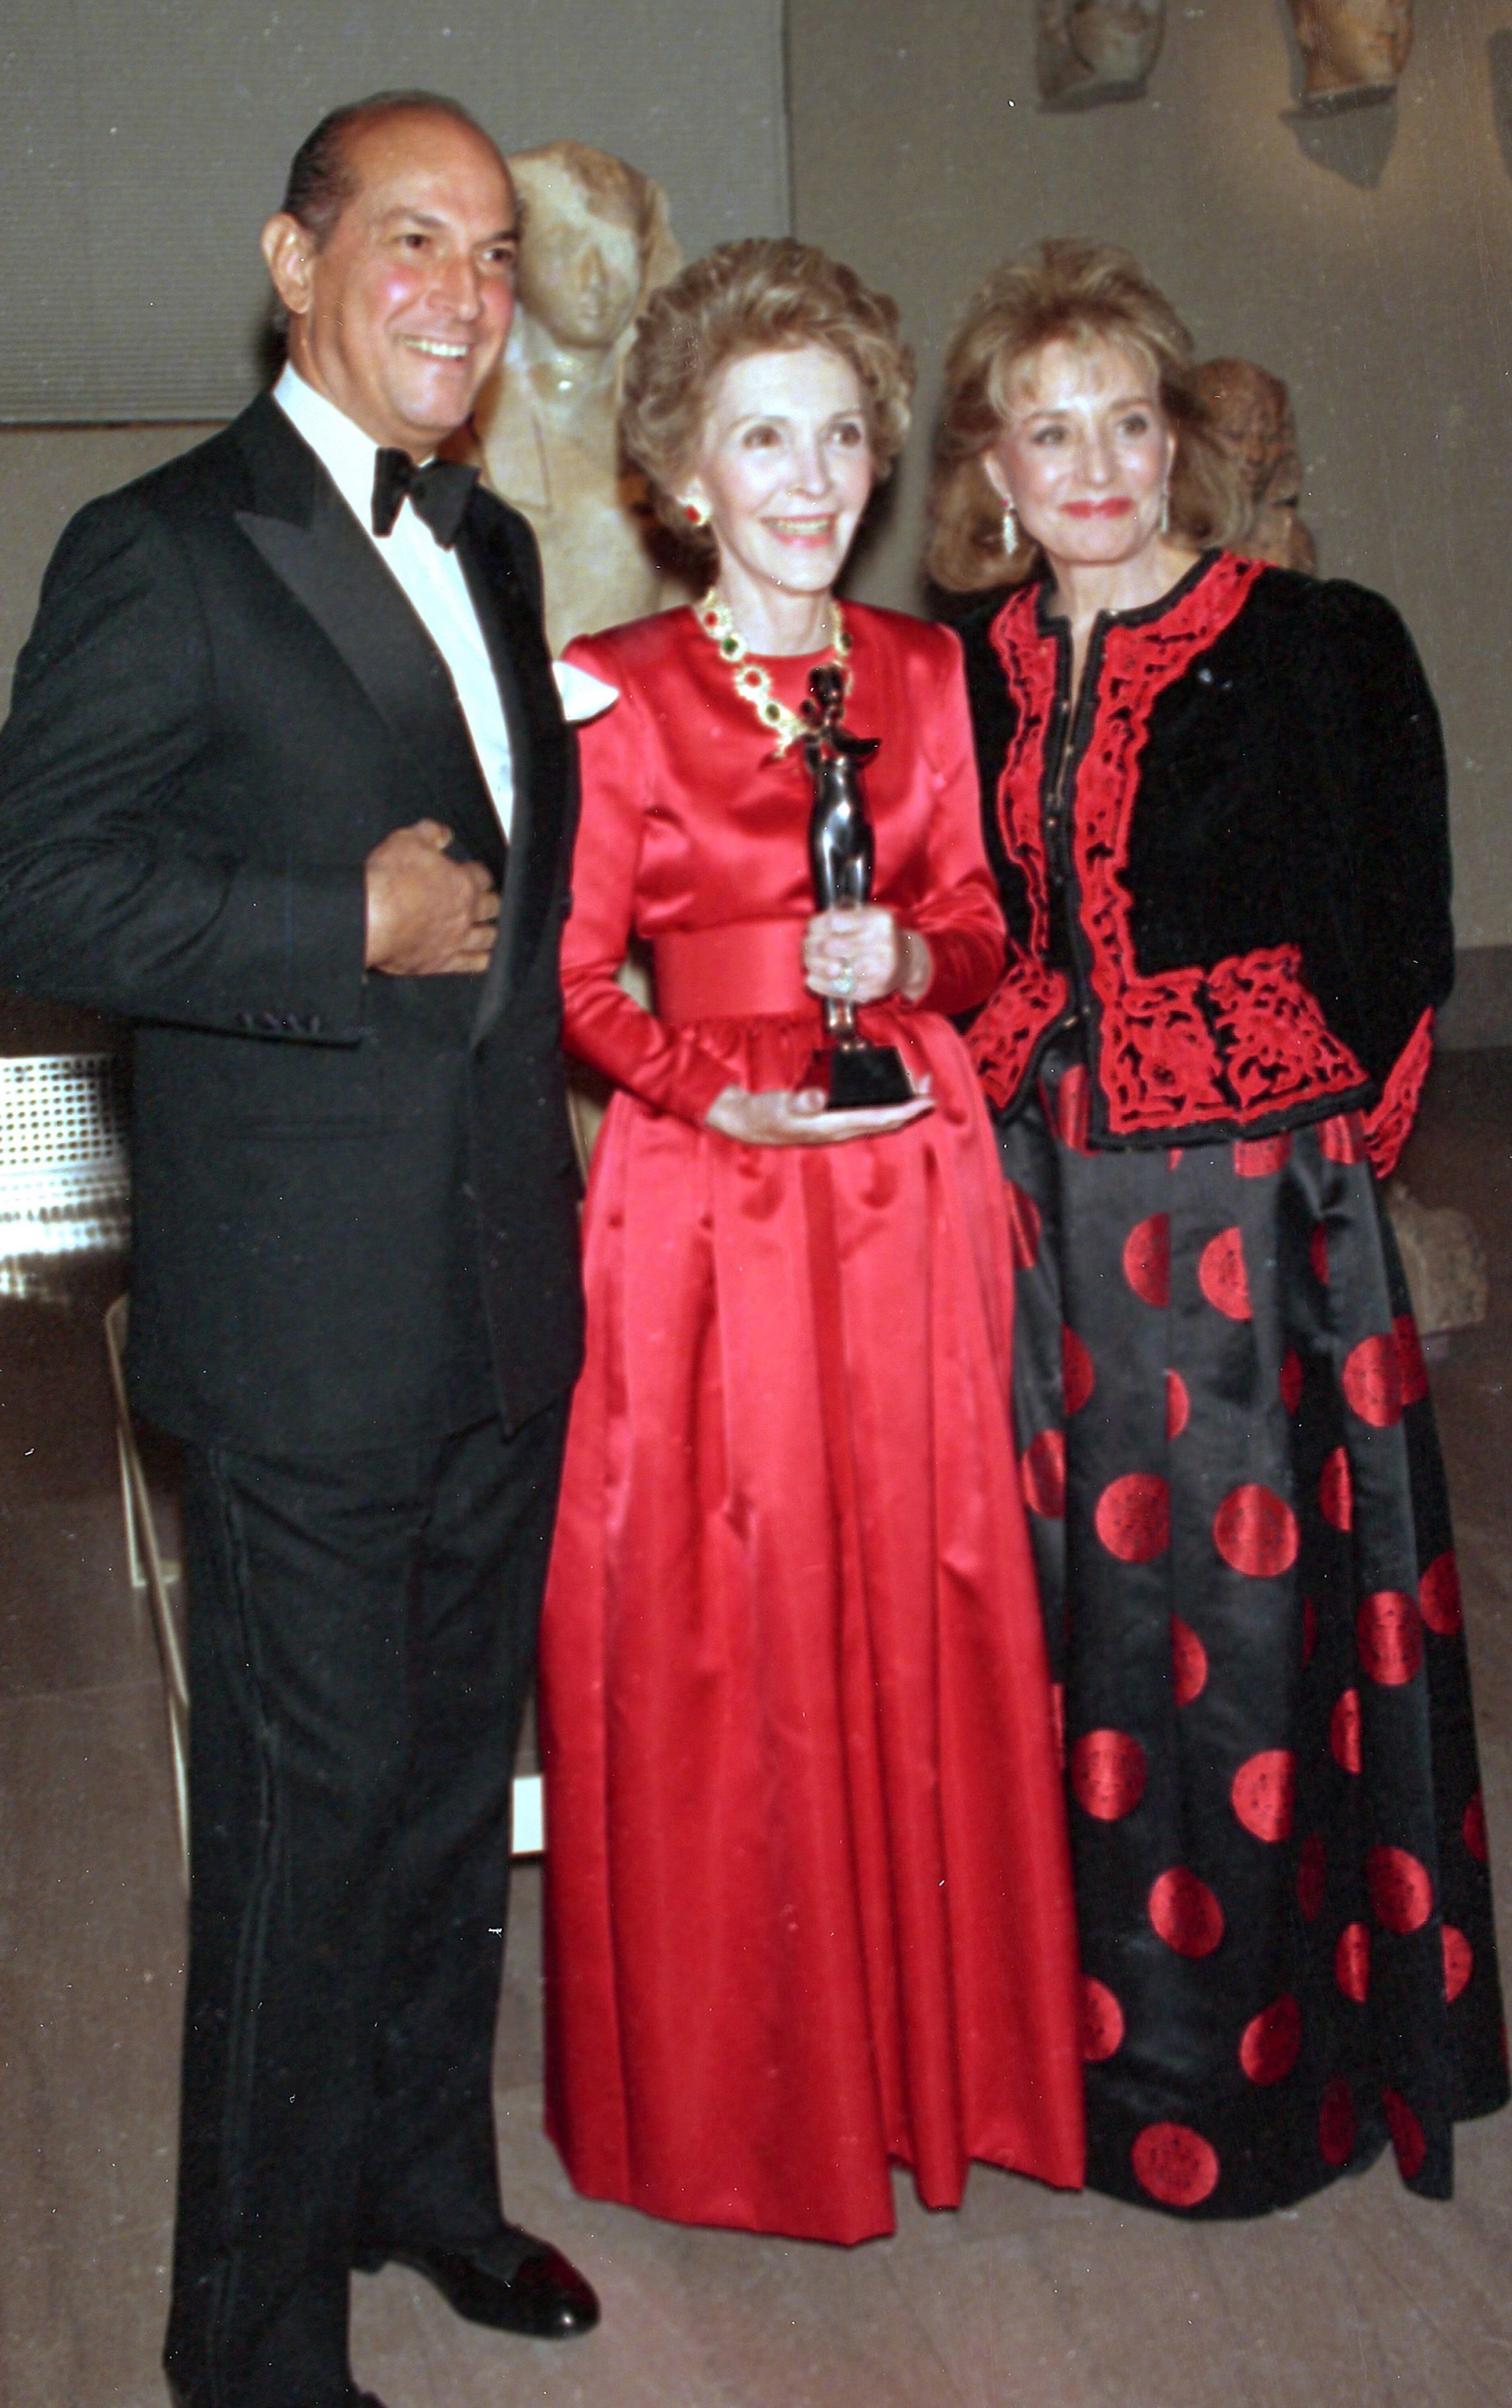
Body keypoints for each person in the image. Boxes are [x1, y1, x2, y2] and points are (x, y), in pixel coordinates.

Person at [0, 91, 599, 2408]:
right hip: (299, 1325)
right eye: (412, 239)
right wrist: (328, 921)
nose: (464, 290)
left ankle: (417, 2183)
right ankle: (247, 2338)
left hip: (494, 1296)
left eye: (493, 252)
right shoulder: (162, 546)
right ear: (293, 260)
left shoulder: (498, 543)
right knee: (303, 1825)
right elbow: (40, 888)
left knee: (444, 1796)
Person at [928, 238, 1509, 2219]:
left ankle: (1248, 2086)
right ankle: (1066, 2067)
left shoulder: (1319, 642)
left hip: (1244, 1218)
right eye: (1049, 432)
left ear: (1177, 441)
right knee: (1060, 1629)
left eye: (1128, 422)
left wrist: (1313, 1182)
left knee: (1242, 1642)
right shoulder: (971, 670)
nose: (1095, 467)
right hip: (1032, 1205)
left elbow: (1396, 943)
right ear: (993, 469)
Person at [539, 236, 1085, 2244]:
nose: (808, 478)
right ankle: (756, 2091)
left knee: (926, 1582)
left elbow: (986, 922)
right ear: (684, 472)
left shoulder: (927, 670)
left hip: (907, 1179)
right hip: (711, 1192)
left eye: (841, 436)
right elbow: (569, 988)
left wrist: (916, 958)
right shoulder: (612, 687)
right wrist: (714, 1087)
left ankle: (942, 2056)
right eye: (762, 438)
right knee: (736, 1609)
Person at [460, 139, 688, 651]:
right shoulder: (457, 450)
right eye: (564, 244)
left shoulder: (677, 455)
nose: (597, 277)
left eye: (619, 247)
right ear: (512, 261)